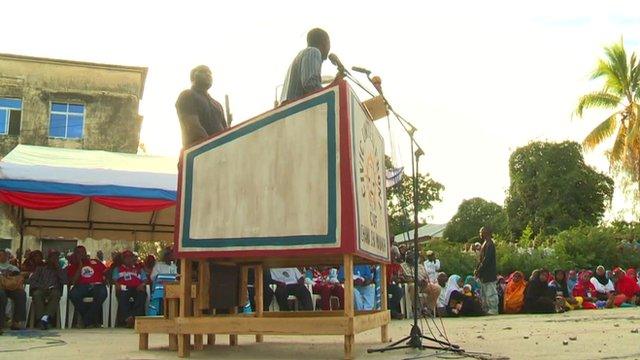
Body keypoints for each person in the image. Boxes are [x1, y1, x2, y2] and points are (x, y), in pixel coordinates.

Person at [176, 65, 227, 148]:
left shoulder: (217, 104)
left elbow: (226, 131)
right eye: (203, 71)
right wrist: (212, 147)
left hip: (220, 155)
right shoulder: (187, 95)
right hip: (200, 153)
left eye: (210, 73)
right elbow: (193, 127)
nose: (208, 74)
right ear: (192, 78)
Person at [280, 28, 331, 102]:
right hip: (299, 110)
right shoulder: (313, 52)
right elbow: (310, 83)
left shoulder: (300, 57)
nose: (329, 48)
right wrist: (330, 94)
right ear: (324, 42)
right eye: (329, 43)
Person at [67, 245, 108, 328]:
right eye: (78, 253)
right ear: (75, 254)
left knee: (102, 293)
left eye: (83, 252)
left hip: (97, 285)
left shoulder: (95, 262)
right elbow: (73, 281)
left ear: (86, 253)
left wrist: (105, 278)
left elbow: (106, 272)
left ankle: (87, 320)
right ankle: (91, 320)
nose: (81, 254)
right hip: (81, 286)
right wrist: (80, 265)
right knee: (73, 294)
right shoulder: (72, 266)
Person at [29, 250, 67, 330]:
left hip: (54, 289)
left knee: (56, 294)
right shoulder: (40, 269)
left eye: (56, 258)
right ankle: (43, 320)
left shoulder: (60, 270)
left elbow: (65, 281)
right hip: (41, 289)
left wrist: (58, 269)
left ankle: (43, 320)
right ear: (48, 259)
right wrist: (41, 286)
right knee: (37, 294)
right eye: (52, 257)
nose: (54, 259)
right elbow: (32, 281)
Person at [113, 250, 147, 327]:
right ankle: (129, 318)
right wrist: (118, 285)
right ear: (123, 259)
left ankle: (133, 317)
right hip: (124, 288)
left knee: (142, 295)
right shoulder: (118, 269)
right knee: (123, 296)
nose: (129, 259)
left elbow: (145, 279)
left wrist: (143, 284)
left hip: (137, 288)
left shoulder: (139, 269)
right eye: (126, 257)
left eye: (130, 257)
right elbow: (115, 280)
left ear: (133, 258)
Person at [0, 250, 26, 333]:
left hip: (11, 287)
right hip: (1, 288)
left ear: (7, 256)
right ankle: (1, 323)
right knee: (1, 295)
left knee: (21, 294)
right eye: (0, 255)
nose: (2, 257)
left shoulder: (13, 267)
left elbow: (18, 278)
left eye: (4, 255)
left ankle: (16, 321)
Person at [474, 226, 498, 315]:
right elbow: (481, 259)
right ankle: (486, 309)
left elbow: (486, 260)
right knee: (484, 293)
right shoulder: (485, 243)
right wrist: (477, 269)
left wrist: (479, 269)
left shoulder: (490, 244)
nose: (480, 234)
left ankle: (493, 309)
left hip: (489, 273)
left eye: (481, 232)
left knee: (491, 293)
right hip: (483, 274)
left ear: (485, 233)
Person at [386, 249, 405, 319]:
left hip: (390, 285)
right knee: (386, 294)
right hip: (383, 284)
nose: (394, 256)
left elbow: (398, 276)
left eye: (395, 254)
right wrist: (392, 278)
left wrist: (399, 278)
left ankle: (392, 311)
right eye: (393, 254)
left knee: (399, 291)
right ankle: (392, 312)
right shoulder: (385, 263)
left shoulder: (396, 265)